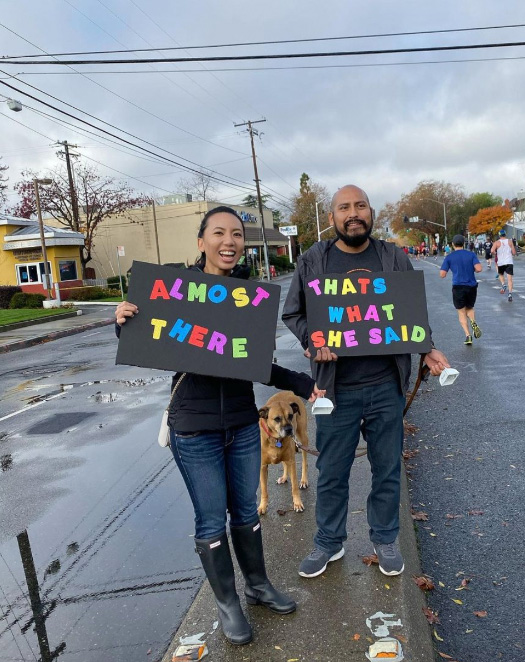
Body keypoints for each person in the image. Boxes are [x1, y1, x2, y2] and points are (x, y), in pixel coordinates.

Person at [115, 206, 324, 646]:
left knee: (246, 514)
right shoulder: (173, 293)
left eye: (237, 234)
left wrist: (307, 384)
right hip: (194, 428)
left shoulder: (248, 299)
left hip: (245, 426)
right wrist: (123, 324)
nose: (229, 241)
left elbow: (258, 366)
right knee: (211, 521)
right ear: (201, 241)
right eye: (219, 233)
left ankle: (258, 585)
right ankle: (229, 603)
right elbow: (147, 336)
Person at [282, 185, 451, 579]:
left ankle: (385, 537)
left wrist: (426, 348)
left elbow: (411, 313)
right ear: (332, 219)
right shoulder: (313, 260)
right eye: (344, 208)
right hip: (334, 390)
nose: (353, 213)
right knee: (333, 471)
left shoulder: (392, 256)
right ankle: (329, 542)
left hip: (384, 386)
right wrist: (314, 340)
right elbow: (294, 313)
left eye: (360, 206)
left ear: (371, 213)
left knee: (387, 467)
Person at [440, 234, 483, 345]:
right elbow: (479, 269)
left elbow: (442, 274)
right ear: (464, 243)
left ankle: (468, 335)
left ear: (453, 244)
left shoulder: (449, 257)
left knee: (461, 311)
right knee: (469, 308)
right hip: (471, 286)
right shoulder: (471, 254)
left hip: (458, 286)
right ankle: (473, 321)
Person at [492, 228, 516, 302]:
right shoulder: (510, 241)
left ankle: (503, 284)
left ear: (499, 235)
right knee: (510, 279)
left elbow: (492, 251)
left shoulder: (496, 243)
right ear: (505, 234)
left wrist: (495, 253)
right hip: (509, 262)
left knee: (501, 274)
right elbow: (514, 252)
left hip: (501, 262)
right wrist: (512, 253)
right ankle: (510, 294)